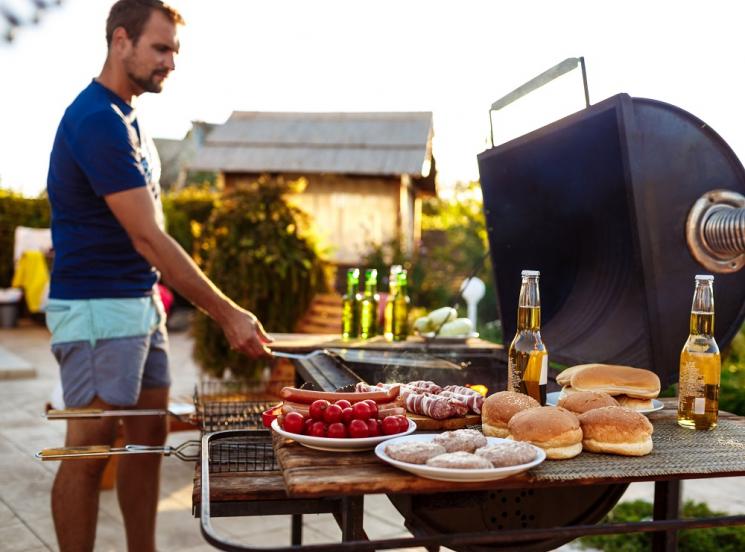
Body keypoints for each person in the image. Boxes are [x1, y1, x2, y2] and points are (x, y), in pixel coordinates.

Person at [45, 1, 272, 550]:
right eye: (161, 47)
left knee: (147, 440)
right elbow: (147, 236)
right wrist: (227, 312)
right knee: (88, 450)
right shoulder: (97, 120)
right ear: (120, 40)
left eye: (175, 50)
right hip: (98, 309)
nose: (171, 61)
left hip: (142, 306)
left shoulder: (127, 116)